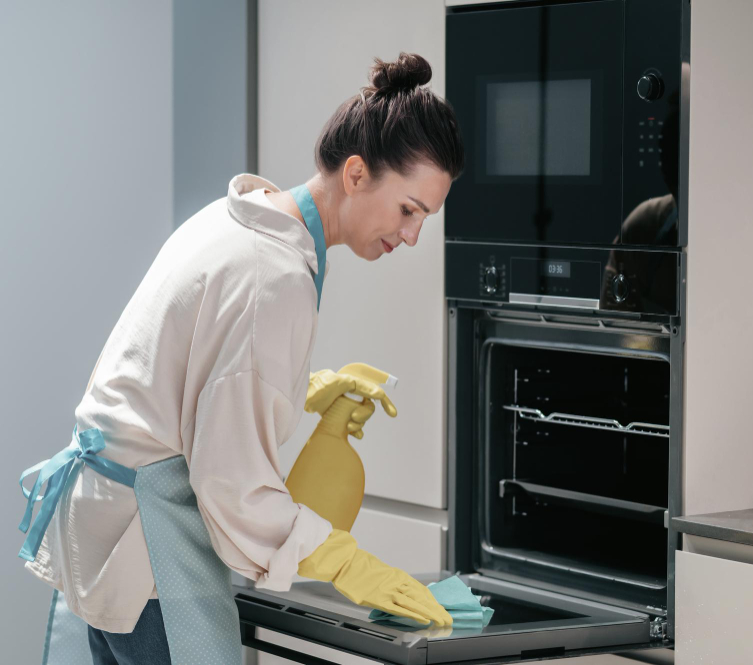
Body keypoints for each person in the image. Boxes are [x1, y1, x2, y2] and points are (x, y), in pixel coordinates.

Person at [17, 52, 463, 664]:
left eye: (425, 219)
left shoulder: (243, 218)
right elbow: (233, 488)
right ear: (356, 173)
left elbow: (179, 363)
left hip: (105, 521)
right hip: (150, 550)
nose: (412, 235)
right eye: (409, 210)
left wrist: (294, 390)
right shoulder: (273, 276)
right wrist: (347, 563)